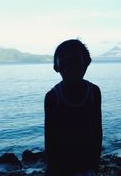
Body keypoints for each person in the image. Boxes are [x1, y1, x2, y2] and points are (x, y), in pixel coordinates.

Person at [44, 39, 102, 176]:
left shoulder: (94, 92)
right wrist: (52, 166)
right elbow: (49, 137)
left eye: (75, 63)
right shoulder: (52, 97)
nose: (71, 69)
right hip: (62, 165)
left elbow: (98, 129)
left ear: (86, 64)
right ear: (56, 67)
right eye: (65, 64)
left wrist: (95, 163)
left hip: (87, 162)